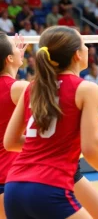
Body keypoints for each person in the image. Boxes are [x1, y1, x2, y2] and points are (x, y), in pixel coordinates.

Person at [4, 26, 98, 219]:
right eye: (85, 45)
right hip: (49, 187)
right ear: (77, 55)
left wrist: (54, 142)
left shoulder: (33, 88)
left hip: (15, 188)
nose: (88, 48)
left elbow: (10, 142)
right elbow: (91, 148)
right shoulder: (86, 88)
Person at [0, 32, 28, 219]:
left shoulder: (14, 87)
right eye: (14, 47)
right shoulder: (19, 88)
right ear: (9, 58)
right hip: (8, 175)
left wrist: (13, 64)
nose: (20, 50)